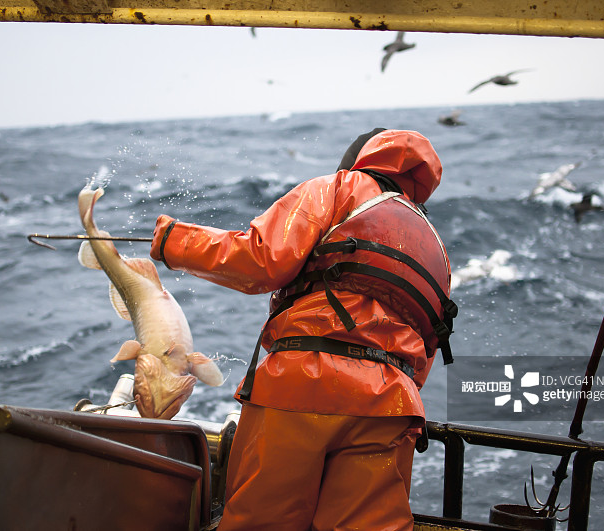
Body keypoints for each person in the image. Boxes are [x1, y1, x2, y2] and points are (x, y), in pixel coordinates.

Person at [148, 128, 456, 531]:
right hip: (391, 405)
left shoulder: (336, 189)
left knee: (262, 522)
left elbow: (260, 260)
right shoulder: (434, 244)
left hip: (303, 386)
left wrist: (172, 241)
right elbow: (426, 349)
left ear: (357, 161)